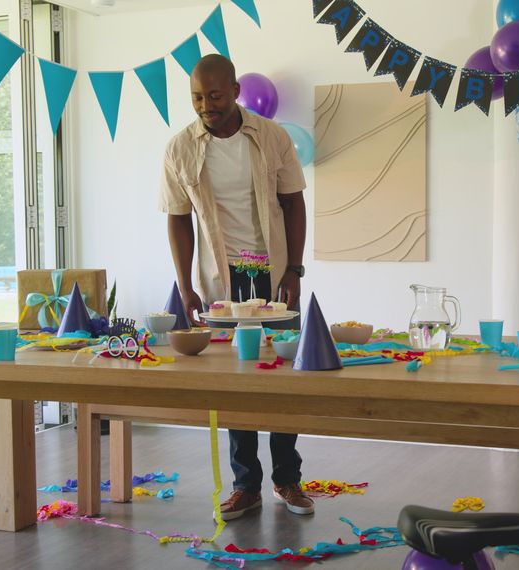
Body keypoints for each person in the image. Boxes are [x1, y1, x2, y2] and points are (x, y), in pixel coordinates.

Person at [160, 54, 313, 519]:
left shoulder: (272, 137)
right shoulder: (180, 147)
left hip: (274, 270)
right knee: (233, 381)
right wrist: (184, 286)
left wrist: (295, 270)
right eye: (197, 97)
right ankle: (245, 485)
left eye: (215, 96)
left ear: (236, 92)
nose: (205, 105)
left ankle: (288, 480)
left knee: (287, 380)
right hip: (220, 280)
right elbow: (178, 218)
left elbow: (293, 204)